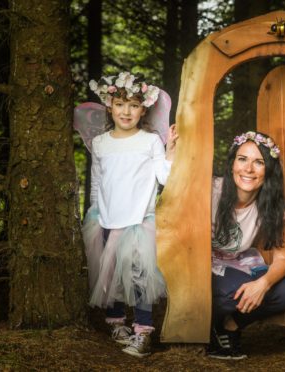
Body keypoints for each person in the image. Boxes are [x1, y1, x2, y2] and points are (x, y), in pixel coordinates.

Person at [75, 72, 178, 358]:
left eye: (133, 105)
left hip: (138, 220)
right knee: (110, 275)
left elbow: (163, 178)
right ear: (109, 105)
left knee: (139, 276)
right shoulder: (100, 143)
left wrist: (169, 153)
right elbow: (97, 180)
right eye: (120, 104)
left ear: (144, 109)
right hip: (106, 217)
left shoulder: (150, 141)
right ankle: (117, 323)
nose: (126, 111)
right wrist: (94, 211)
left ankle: (143, 330)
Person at [207, 131, 285, 360]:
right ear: (232, 164)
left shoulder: (271, 205)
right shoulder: (211, 191)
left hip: (237, 264)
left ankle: (228, 326)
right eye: (242, 159)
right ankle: (205, 329)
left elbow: (282, 259)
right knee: (233, 291)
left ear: (268, 171)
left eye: (259, 162)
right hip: (203, 265)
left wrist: (263, 284)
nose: (248, 169)